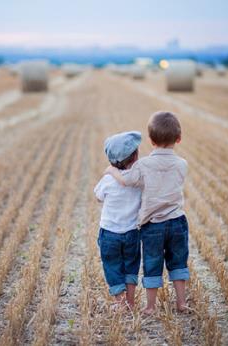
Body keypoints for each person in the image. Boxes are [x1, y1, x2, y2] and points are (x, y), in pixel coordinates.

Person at [105, 111, 189, 314]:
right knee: (178, 262)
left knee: (152, 264)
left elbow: (126, 181)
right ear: (179, 139)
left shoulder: (143, 165)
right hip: (177, 221)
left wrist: (112, 171)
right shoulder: (182, 164)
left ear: (151, 141)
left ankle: (150, 306)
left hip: (153, 225)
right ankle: (181, 302)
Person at [94, 131, 142, 308]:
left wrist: (110, 173)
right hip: (132, 232)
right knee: (131, 265)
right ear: (135, 157)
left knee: (112, 266)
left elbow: (98, 196)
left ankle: (120, 303)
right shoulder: (138, 180)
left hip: (109, 233)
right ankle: (130, 301)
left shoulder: (107, 180)